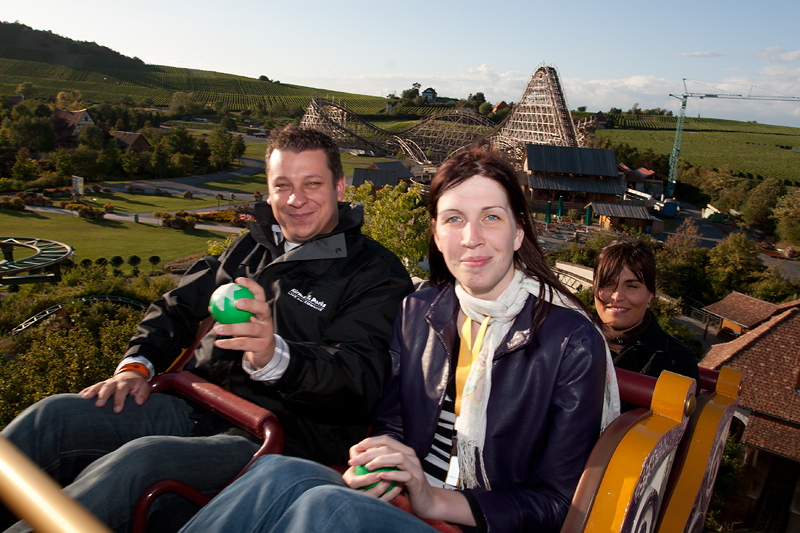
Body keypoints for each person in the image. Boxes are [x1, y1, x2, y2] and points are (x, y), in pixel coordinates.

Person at [178, 144, 620, 533]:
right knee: (274, 472)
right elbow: (394, 424)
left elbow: (559, 506)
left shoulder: (571, 340)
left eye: (491, 217)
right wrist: (379, 465)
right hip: (408, 501)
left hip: (475, 520)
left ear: (519, 230)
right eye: (454, 219)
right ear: (437, 234)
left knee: (325, 506)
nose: (472, 238)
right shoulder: (420, 312)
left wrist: (433, 500)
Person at [0, 125, 413, 532]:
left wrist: (276, 357)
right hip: (194, 405)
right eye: (282, 185)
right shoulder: (251, 246)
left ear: (339, 188)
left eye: (312, 183)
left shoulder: (375, 273)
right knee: (53, 418)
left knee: (142, 464)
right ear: (268, 191)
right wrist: (137, 365)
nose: (295, 199)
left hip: (275, 438)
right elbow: (177, 305)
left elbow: (359, 380)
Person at [593, 238, 700, 387]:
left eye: (632, 286)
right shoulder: (568, 339)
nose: (617, 296)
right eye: (607, 284)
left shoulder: (677, 362)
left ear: (651, 291)